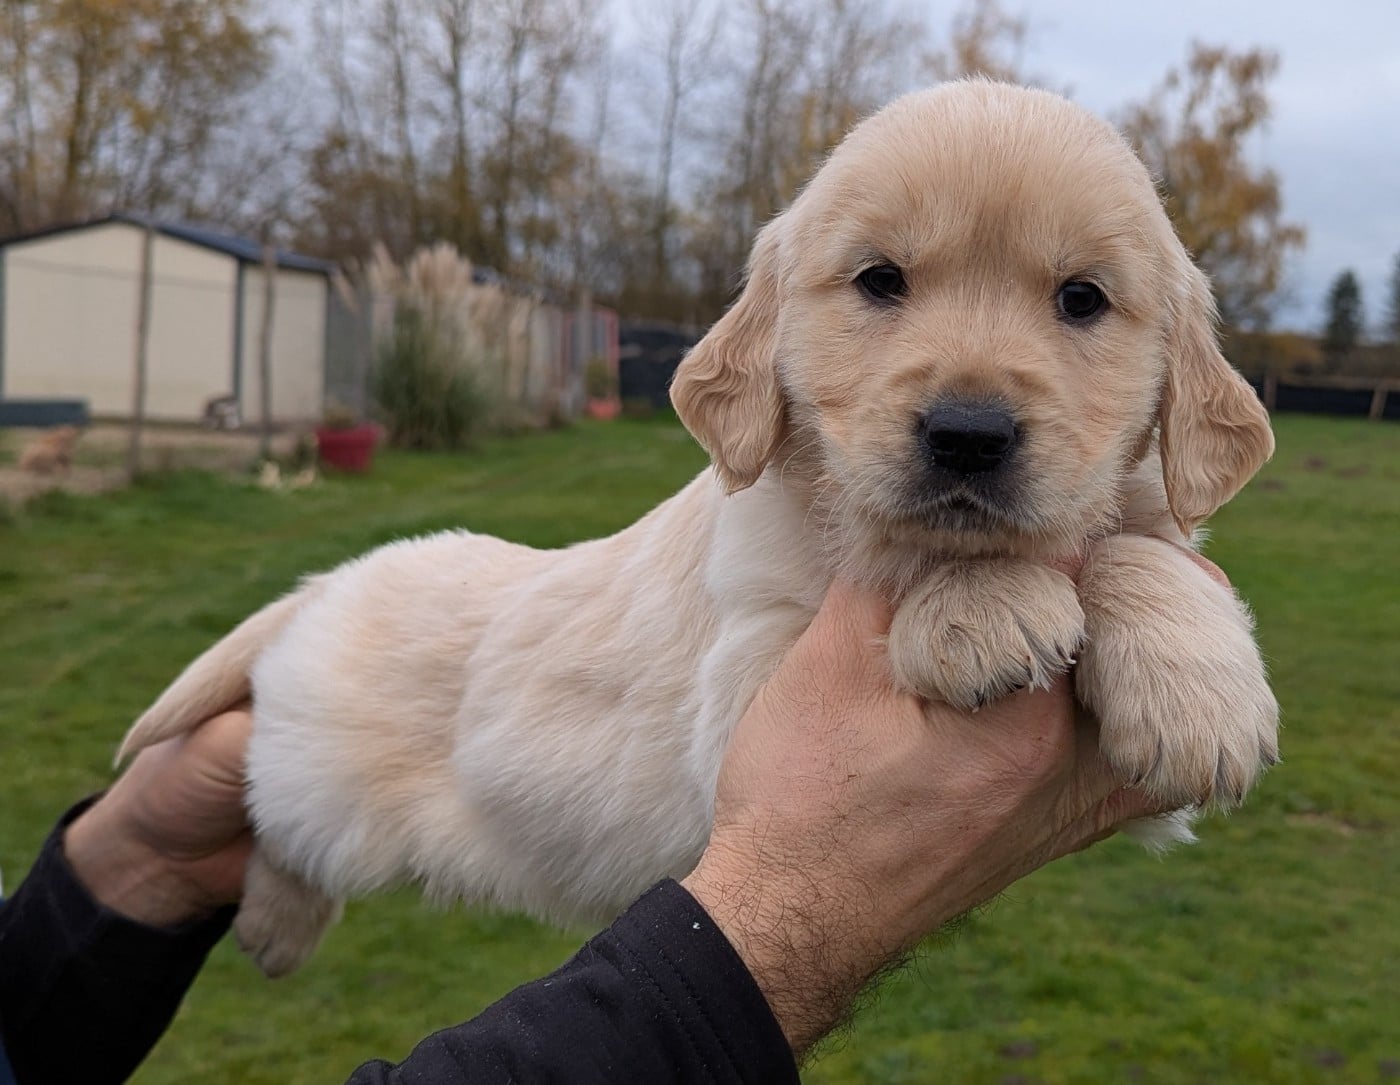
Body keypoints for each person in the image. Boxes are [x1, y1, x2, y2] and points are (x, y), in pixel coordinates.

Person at [0, 578, 1171, 1084]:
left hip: (419, 612)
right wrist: (773, 937)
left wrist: (136, 858)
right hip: (378, 658)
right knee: (314, 803)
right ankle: (287, 840)